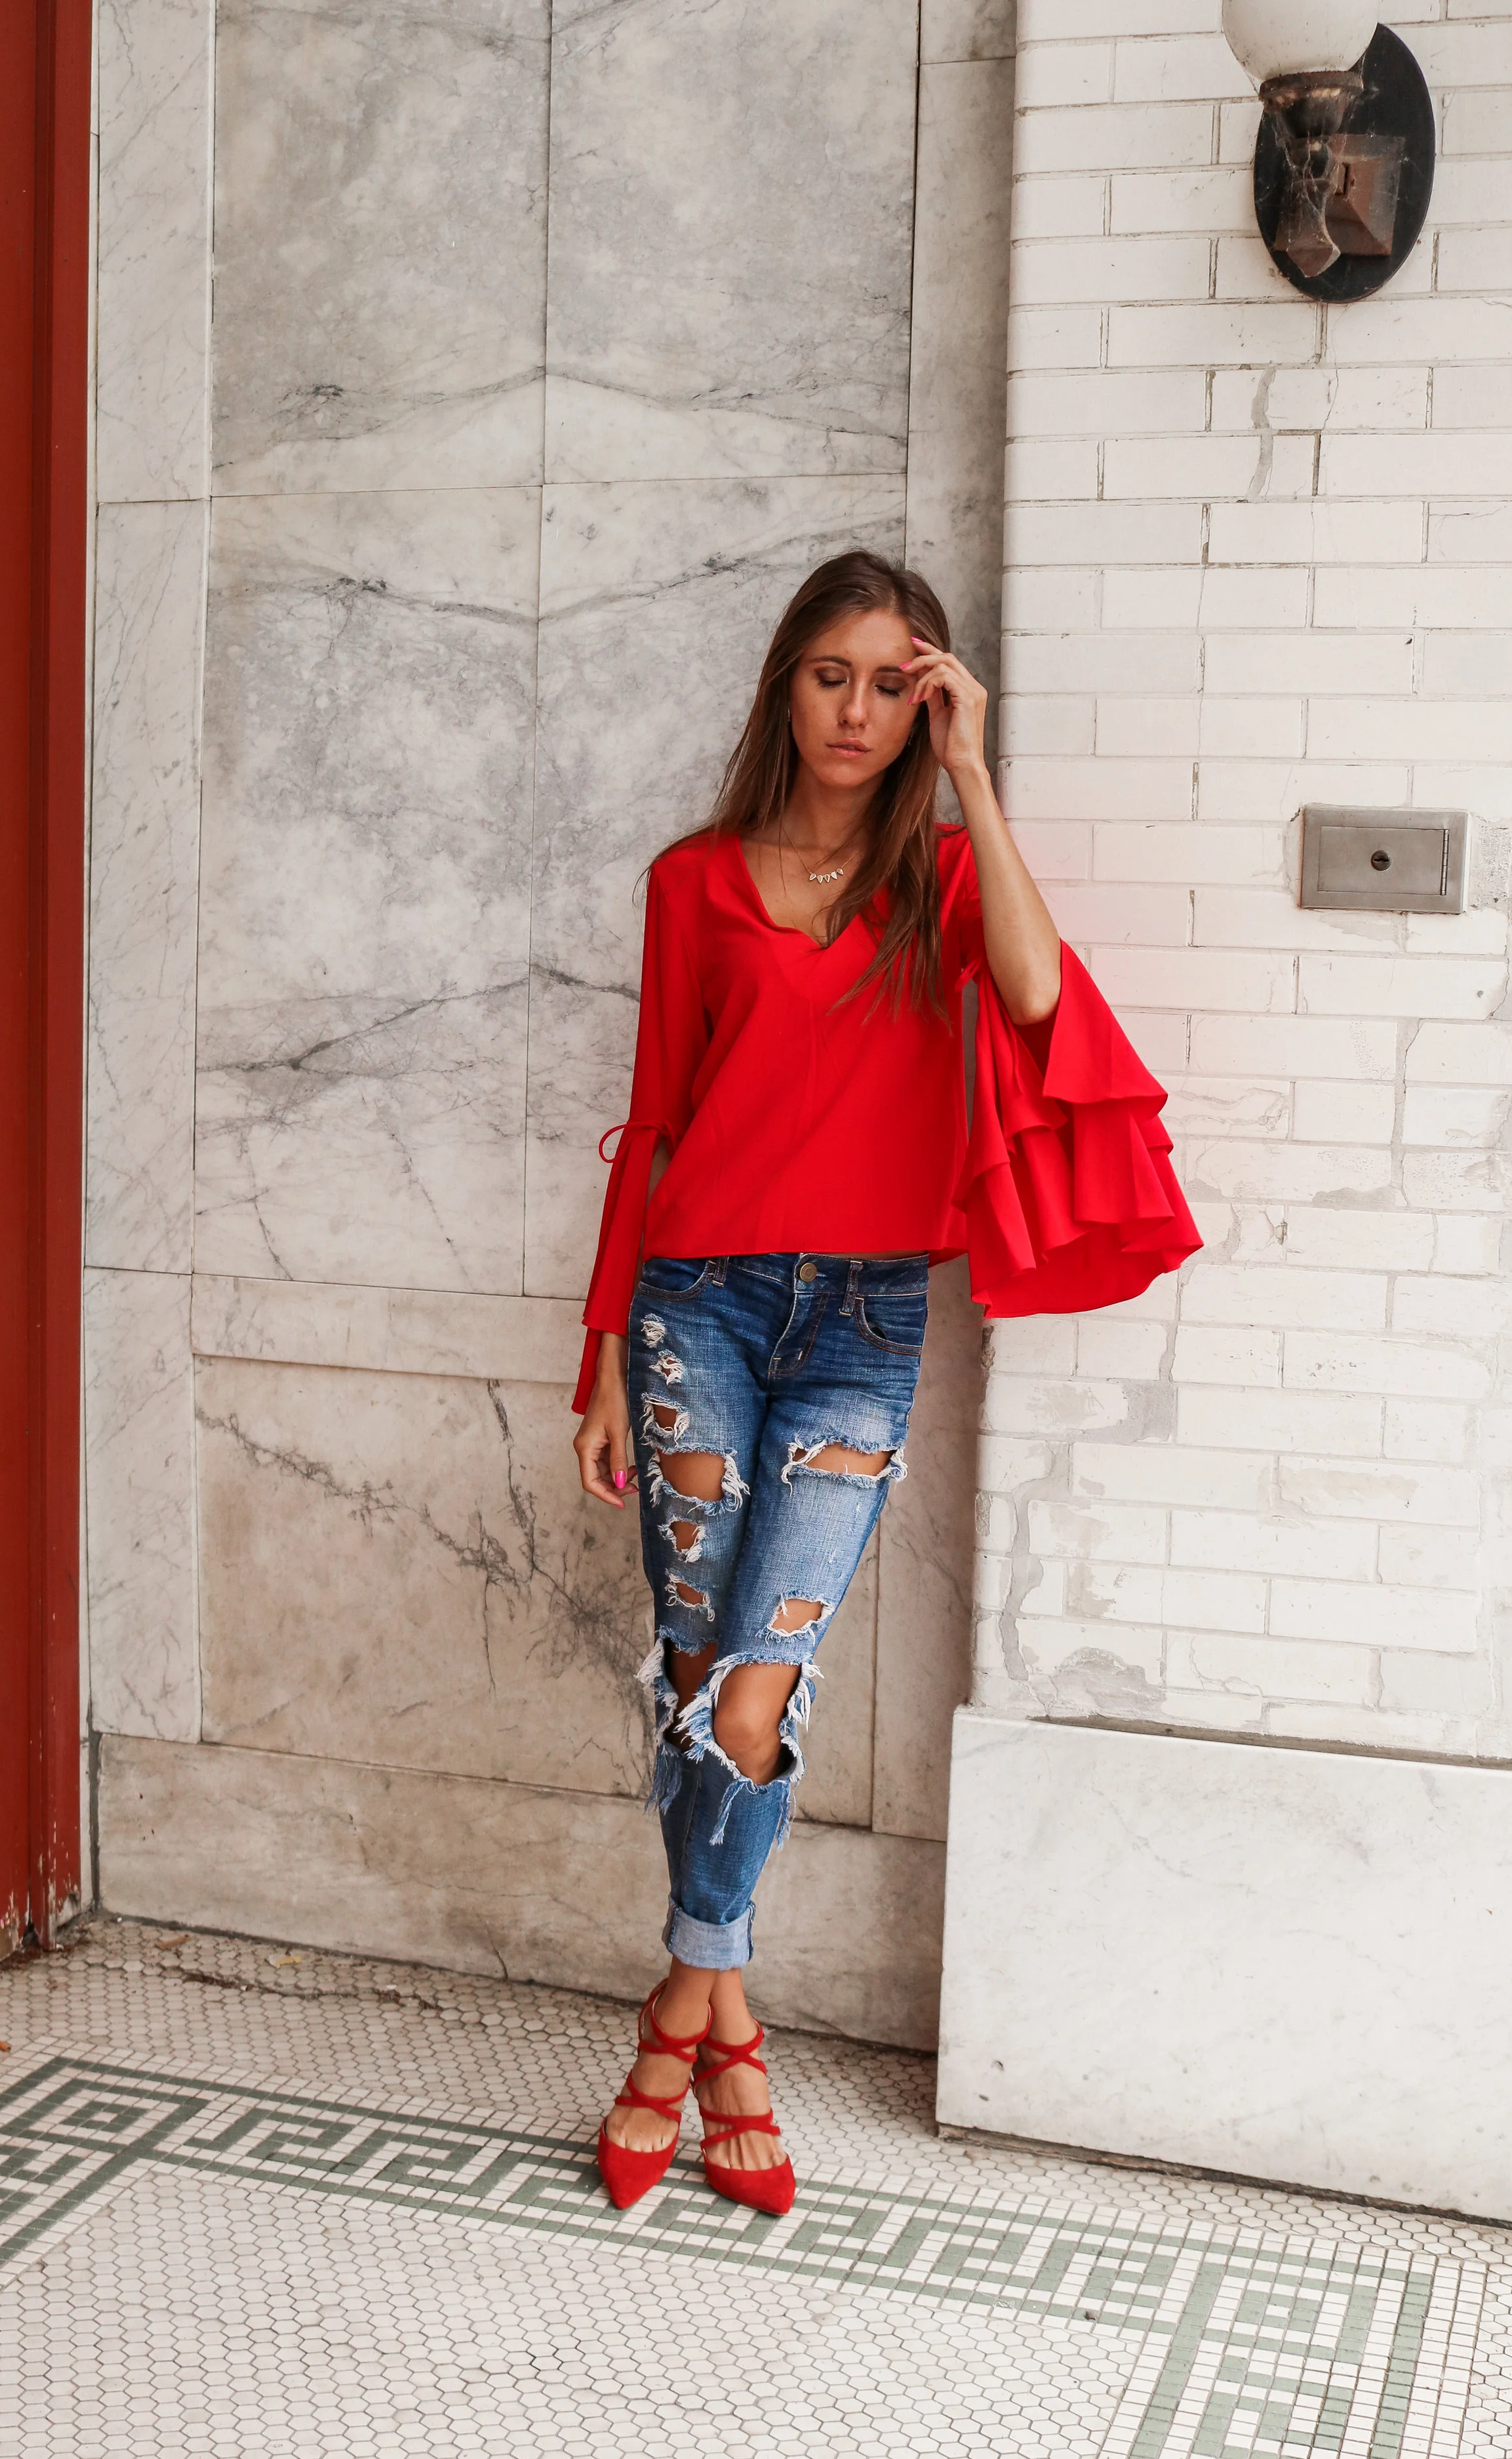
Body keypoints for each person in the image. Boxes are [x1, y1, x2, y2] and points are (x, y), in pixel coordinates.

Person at [572, 551, 1199, 2216]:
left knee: (751, 1693)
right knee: (699, 1663)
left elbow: (1040, 995)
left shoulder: (931, 878)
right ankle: (725, 2037)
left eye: (889, 683)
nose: (856, 711)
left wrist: (975, 773)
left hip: (859, 1323)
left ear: (921, 703)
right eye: (829, 675)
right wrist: (592, 1358)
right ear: (783, 686)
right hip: (692, 1313)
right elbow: (650, 1125)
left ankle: (687, 2013)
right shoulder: (692, 881)